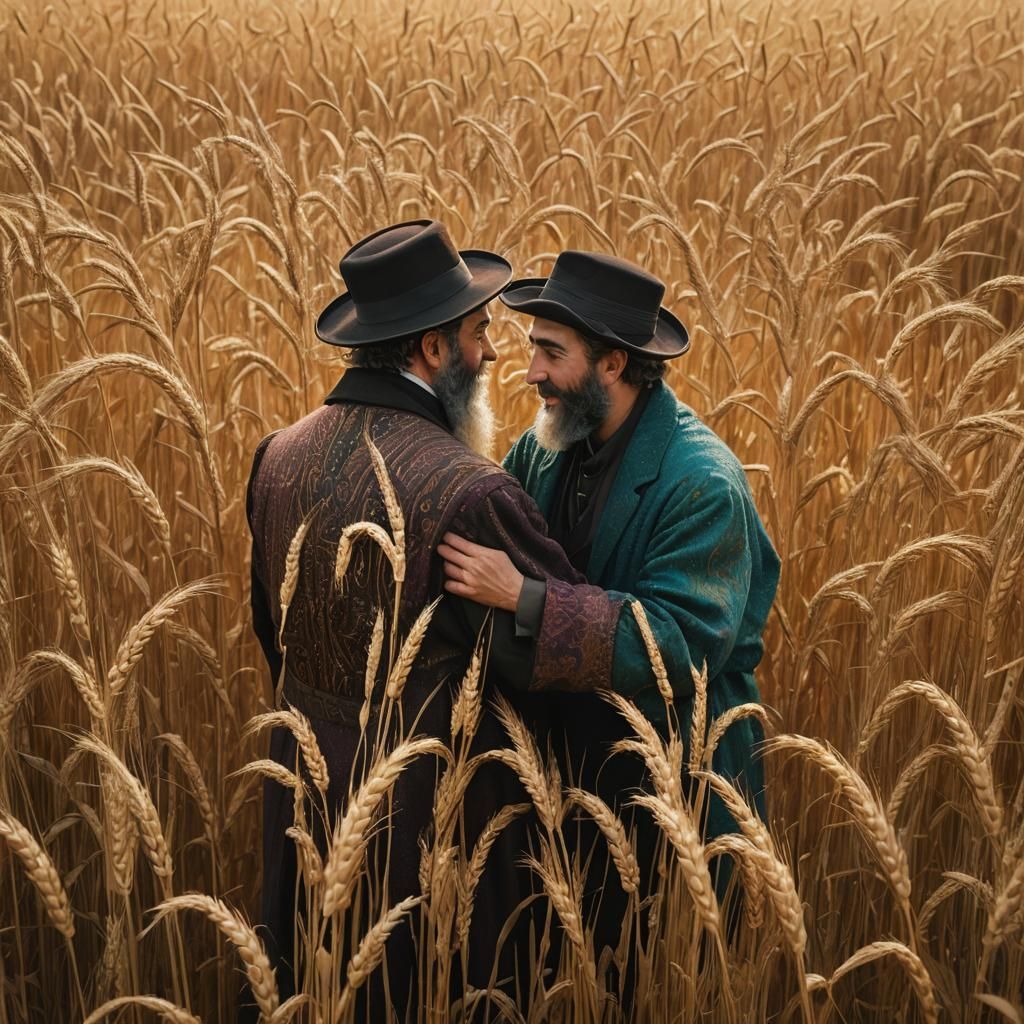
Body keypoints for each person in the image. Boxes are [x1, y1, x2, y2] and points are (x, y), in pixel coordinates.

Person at [244, 221, 622, 1017]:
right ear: (429, 350)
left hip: (303, 800)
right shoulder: (470, 492)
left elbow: (271, 628)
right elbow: (566, 675)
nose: (489, 356)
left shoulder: (276, 455)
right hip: (430, 820)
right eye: (478, 334)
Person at [439, 250, 781, 964]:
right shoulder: (547, 448)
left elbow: (676, 642)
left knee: (660, 978)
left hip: (678, 795)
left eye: (550, 353)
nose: (530, 371)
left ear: (614, 365)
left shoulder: (701, 485)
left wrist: (524, 597)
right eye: (532, 347)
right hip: (580, 787)